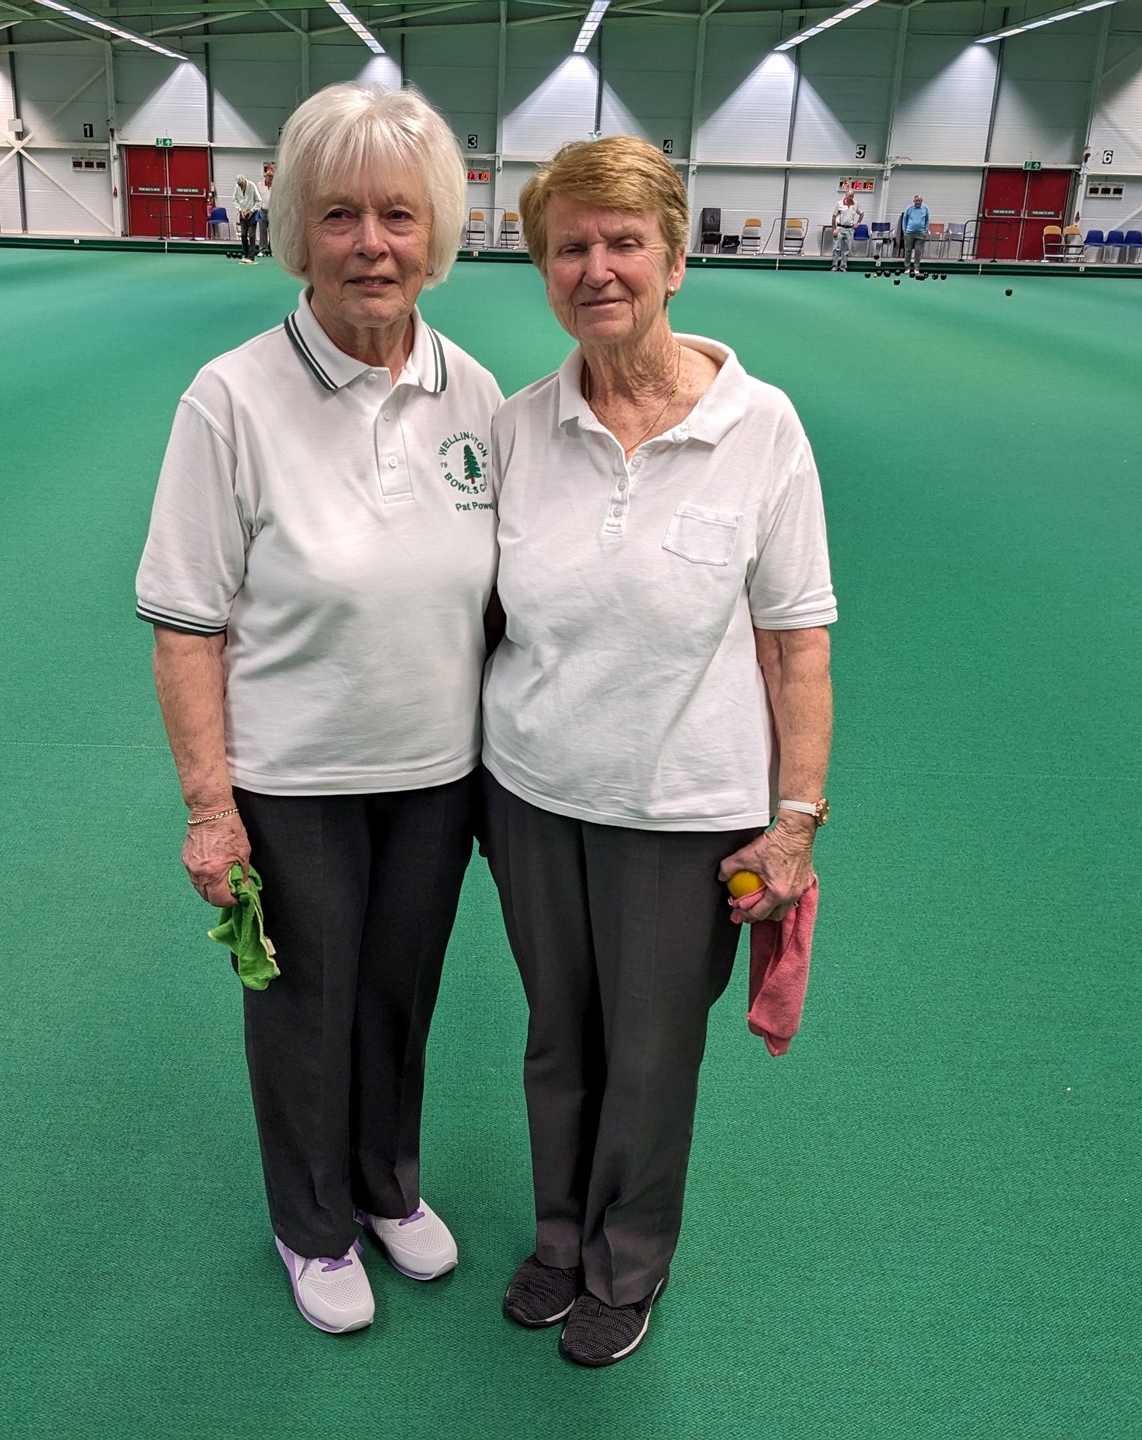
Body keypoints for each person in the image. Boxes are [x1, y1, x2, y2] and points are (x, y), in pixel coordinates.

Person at [136, 83, 503, 1336]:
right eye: (339, 215)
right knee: (306, 1011)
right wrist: (210, 809)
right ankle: (313, 1225)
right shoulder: (229, 399)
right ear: (296, 230)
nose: (371, 244)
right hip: (293, 780)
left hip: (438, 773)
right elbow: (186, 623)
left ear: (436, 232)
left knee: (400, 998)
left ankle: (388, 1186)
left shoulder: (474, 393)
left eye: (399, 215)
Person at [482, 135, 837, 1367]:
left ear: (676, 261)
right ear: (544, 272)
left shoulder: (762, 427)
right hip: (531, 796)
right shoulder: (517, 428)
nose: (598, 268)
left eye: (625, 242)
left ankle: (626, 1262)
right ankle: (559, 1237)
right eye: (569, 247)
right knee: (557, 1036)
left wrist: (796, 820)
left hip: (685, 813)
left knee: (648, 1055)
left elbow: (797, 644)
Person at [232, 171, 263, 263]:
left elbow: (259, 200)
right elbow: (234, 200)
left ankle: (251, 257)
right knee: (243, 235)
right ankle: (245, 255)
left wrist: (252, 211)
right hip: (242, 214)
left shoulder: (252, 186)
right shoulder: (237, 187)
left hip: (252, 214)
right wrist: (240, 210)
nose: (240, 186)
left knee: (252, 235)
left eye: (241, 184)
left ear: (244, 181)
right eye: (239, 185)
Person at [830, 191, 863, 271]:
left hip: (849, 229)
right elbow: (834, 216)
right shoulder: (839, 203)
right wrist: (834, 229)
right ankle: (834, 266)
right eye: (849, 196)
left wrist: (858, 223)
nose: (851, 198)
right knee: (836, 248)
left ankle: (843, 267)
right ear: (846, 195)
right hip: (839, 228)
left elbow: (861, 213)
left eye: (852, 196)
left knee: (847, 249)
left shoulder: (855, 204)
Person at [900, 192, 930, 276]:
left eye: (919, 201)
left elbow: (927, 220)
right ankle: (907, 268)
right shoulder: (909, 208)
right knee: (908, 250)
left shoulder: (925, 208)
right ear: (914, 201)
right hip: (909, 232)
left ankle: (916, 268)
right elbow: (905, 220)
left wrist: (925, 230)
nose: (918, 202)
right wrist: (904, 230)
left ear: (922, 201)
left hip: (921, 233)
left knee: (918, 251)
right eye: (916, 201)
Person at [258, 162, 275, 256]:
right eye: (269, 177)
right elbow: (258, 197)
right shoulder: (260, 185)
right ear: (266, 177)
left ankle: (273, 250)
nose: (270, 179)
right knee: (262, 231)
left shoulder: (276, 185)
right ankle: (262, 250)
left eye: (272, 177)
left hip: (273, 212)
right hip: (263, 211)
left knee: (273, 232)